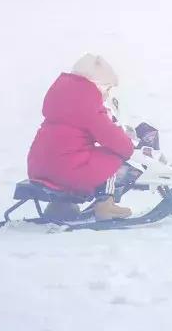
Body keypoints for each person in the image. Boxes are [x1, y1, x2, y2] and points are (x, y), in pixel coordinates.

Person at [26, 54, 140, 221]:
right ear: (97, 85)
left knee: (75, 154)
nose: (107, 95)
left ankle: (60, 207)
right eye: (107, 89)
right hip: (65, 171)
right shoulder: (88, 103)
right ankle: (105, 205)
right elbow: (114, 139)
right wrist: (128, 145)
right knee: (113, 154)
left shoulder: (61, 97)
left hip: (38, 167)